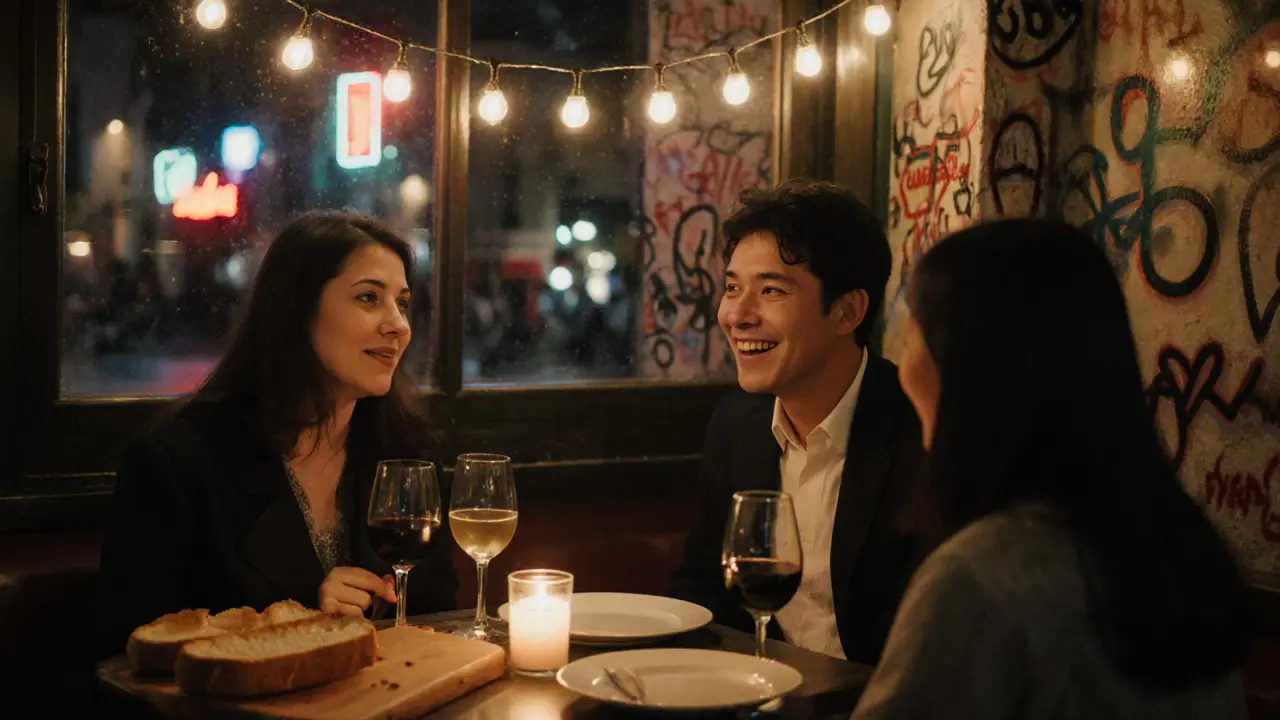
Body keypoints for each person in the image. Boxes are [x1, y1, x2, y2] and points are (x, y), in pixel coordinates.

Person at [852, 219, 1249, 718]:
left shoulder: (979, 576)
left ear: (971, 373)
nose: (901, 364)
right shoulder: (1177, 550)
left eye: (911, 339)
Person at [96, 212, 458, 660]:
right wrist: (306, 624)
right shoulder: (178, 464)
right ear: (296, 309)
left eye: (402, 304)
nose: (398, 324)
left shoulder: (407, 455)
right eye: (369, 298)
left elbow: (439, 617)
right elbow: (129, 656)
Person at [669, 180, 929, 665]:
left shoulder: (920, 430)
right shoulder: (737, 426)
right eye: (732, 288)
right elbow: (703, 586)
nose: (737, 315)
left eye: (771, 290)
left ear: (847, 312)